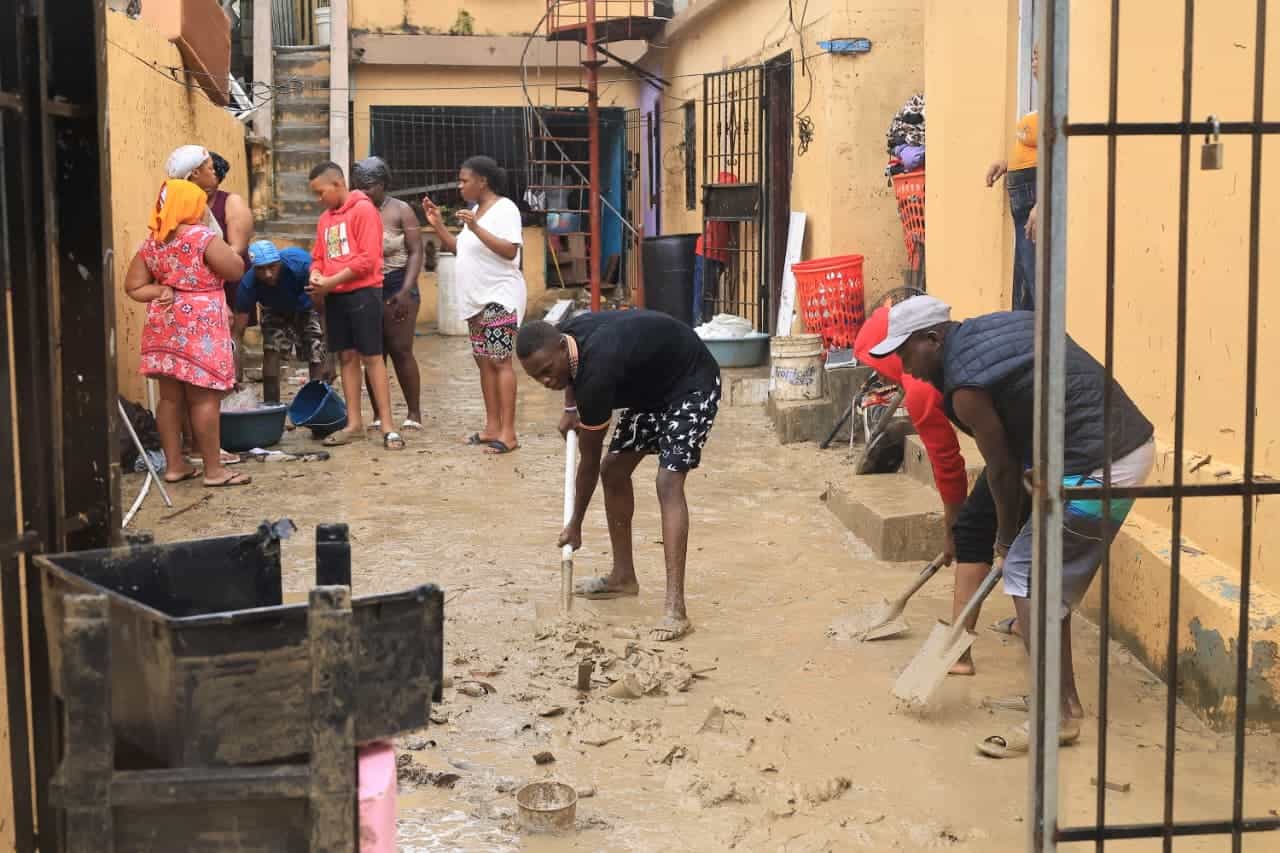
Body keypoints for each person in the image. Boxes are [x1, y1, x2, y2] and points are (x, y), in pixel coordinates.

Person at [869, 295, 1155, 758]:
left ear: (932, 339)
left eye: (905, 353)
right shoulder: (986, 335)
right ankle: (1063, 703)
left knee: (1027, 573)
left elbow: (1000, 469)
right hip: (1110, 446)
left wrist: (1004, 537)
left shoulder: (964, 384)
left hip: (1104, 461)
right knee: (1039, 578)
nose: (903, 366)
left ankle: (1055, 716)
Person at [515, 310, 722, 642]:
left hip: (691, 384)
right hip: (650, 392)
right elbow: (570, 378)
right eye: (537, 378)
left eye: (547, 372)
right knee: (614, 470)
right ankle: (623, 577)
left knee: (667, 482)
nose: (547, 382)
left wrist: (575, 524)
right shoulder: (568, 336)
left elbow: (588, 460)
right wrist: (570, 409)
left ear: (560, 349)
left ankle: (675, 609)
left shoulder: (597, 373)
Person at [853, 305, 1028, 676]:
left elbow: (948, 466)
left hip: (1023, 453)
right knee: (1020, 537)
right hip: (1029, 443)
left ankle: (958, 654)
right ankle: (1024, 624)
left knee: (976, 533)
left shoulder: (921, 389)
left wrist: (952, 529)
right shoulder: (951, 355)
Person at [123, 178, 250, 488]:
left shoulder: (153, 241)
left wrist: (161, 288)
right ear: (191, 206)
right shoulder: (201, 237)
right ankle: (214, 471)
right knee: (204, 398)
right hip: (200, 327)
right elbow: (235, 270)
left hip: (164, 325)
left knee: (169, 399)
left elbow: (133, 286)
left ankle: (175, 466)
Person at [423, 155, 526, 454]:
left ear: (483, 181)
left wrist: (477, 226)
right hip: (475, 300)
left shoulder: (505, 209)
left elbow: (509, 252)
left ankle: (509, 433)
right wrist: (440, 226)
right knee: (483, 361)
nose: (460, 186)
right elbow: (462, 250)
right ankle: (492, 426)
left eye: (465, 180)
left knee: (499, 360)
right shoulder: (474, 211)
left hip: (499, 296)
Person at [306, 161, 404, 450]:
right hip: (335, 294)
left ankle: (387, 426)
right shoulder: (325, 219)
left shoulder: (363, 210)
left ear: (337, 184)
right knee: (346, 358)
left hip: (364, 293)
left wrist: (331, 280)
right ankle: (354, 423)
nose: (318, 199)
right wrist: (316, 274)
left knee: (372, 357)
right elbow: (318, 256)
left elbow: (368, 259)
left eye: (320, 192)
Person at [351, 157, 426, 432]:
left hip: (398, 283)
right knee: (373, 352)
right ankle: (379, 414)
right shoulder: (353, 209)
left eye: (370, 186)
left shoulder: (400, 210)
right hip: (365, 286)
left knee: (400, 349)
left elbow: (417, 250)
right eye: (360, 186)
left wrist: (406, 290)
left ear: (383, 184)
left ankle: (413, 412)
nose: (365, 191)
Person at [232, 240, 327, 404]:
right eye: (261, 269)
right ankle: (271, 407)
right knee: (271, 350)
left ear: (280, 263)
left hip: (307, 304)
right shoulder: (248, 285)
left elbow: (323, 307)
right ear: (254, 269)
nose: (268, 274)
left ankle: (317, 405)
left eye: (272, 267)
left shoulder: (301, 265)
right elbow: (237, 333)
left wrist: (330, 351)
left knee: (316, 351)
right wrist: (235, 374)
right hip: (274, 308)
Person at [985, 44, 1039, 311]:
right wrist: (1007, 164)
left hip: (1035, 199)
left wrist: (1043, 204)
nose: (1034, 61)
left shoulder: (1063, 103)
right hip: (1023, 198)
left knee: (1036, 280)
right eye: (1033, 54)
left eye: (1040, 55)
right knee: (1024, 283)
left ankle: (1044, 345)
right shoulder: (1041, 103)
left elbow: (1064, 154)